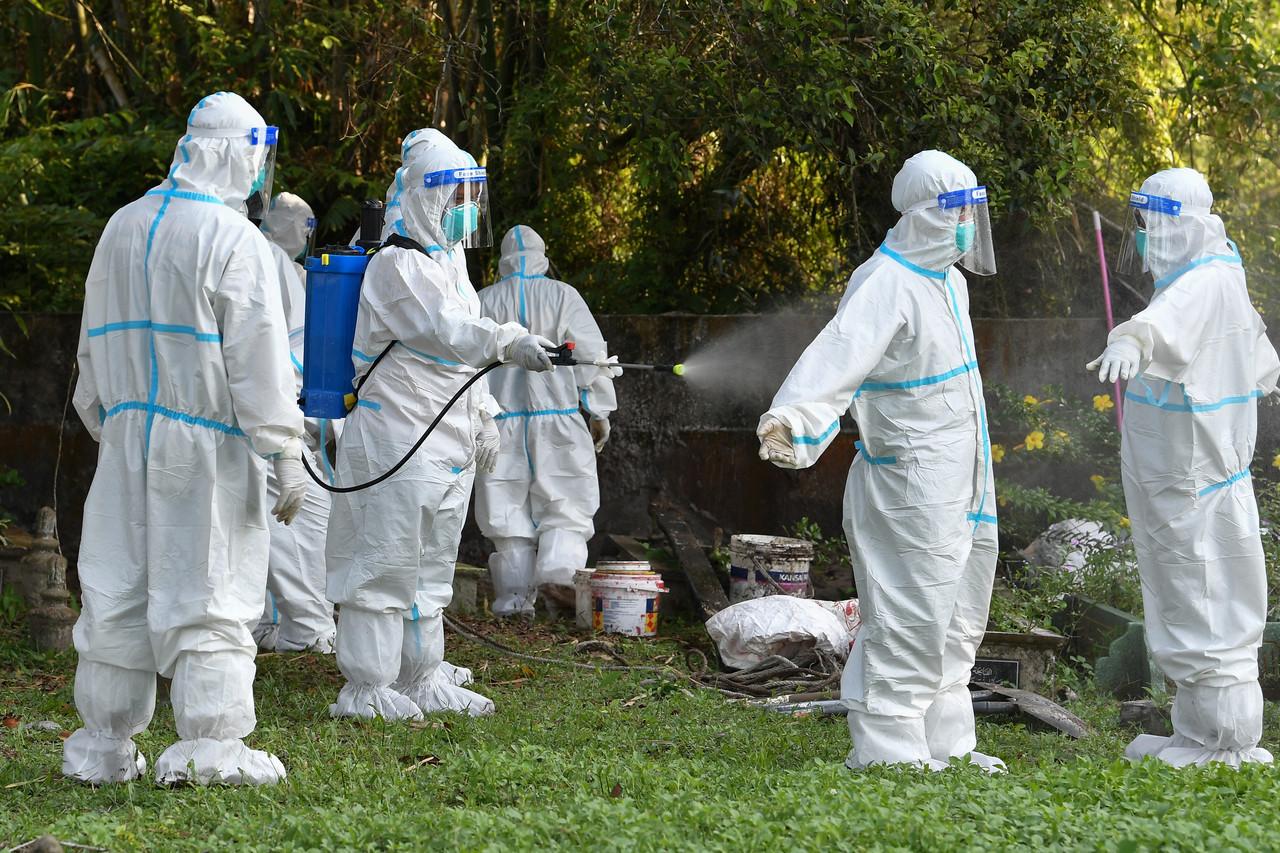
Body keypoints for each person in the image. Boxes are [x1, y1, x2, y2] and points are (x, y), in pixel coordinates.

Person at [63, 91, 307, 786]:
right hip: (208, 447)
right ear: (235, 152)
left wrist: (119, 428)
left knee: (118, 590)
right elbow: (257, 362)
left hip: (125, 437)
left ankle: (102, 745)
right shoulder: (234, 240)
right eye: (257, 155)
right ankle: (211, 745)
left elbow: (89, 356)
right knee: (212, 588)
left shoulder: (120, 226)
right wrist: (284, 448)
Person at [758, 150, 1003, 772]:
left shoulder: (948, 281)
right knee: (908, 613)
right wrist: (794, 421)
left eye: (974, 213)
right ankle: (889, 751)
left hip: (965, 480)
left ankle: (947, 743)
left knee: (957, 614)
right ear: (927, 215)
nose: (969, 227)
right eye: (960, 212)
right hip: (910, 483)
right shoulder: (886, 282)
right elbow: (835, 357)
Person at [325, 131, 554, 720]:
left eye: (468, 199)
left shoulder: (447, 262)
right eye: (456, 199)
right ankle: (367, 686)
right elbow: (445, 332)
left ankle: (422, 677)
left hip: (444, 436)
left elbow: (462, 356)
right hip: (395, 436)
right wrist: (508, 339)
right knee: (384, 562)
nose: (464, 212)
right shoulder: (394, 262)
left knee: (430, 568)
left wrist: (485, 414)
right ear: (427, 197)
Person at [1088, 168, 1280, 767]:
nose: (1144, 239)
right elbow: (1258, 359)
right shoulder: (1215, 269)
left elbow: (1165, 324)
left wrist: (1131, 340)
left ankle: (1223, 741)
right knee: (1185, 596)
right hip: (1183, 484)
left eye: (1151, 226)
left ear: (1182, 226)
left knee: (1201, 597)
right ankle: (1196, 734)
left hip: (1194, 485)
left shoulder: (1204, 284)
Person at [475, 225, 618, 617]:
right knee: (567, 506)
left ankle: (514, 606)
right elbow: (592, 356)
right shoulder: (562, 296)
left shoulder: (482, 300)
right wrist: (599, 409)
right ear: (543, 254)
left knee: (505, 514)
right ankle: (559, 599)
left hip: (498, 425)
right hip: (558, 421)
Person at [254, 193, 339, 653]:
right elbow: (290, 351)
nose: (308, 235)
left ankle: (273, 624)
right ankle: (307, 630)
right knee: (302, 523)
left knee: (268, 526)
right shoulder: (268, 261)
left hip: (269, 416)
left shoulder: (292, 270)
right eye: (304, 225)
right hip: (279, 415)